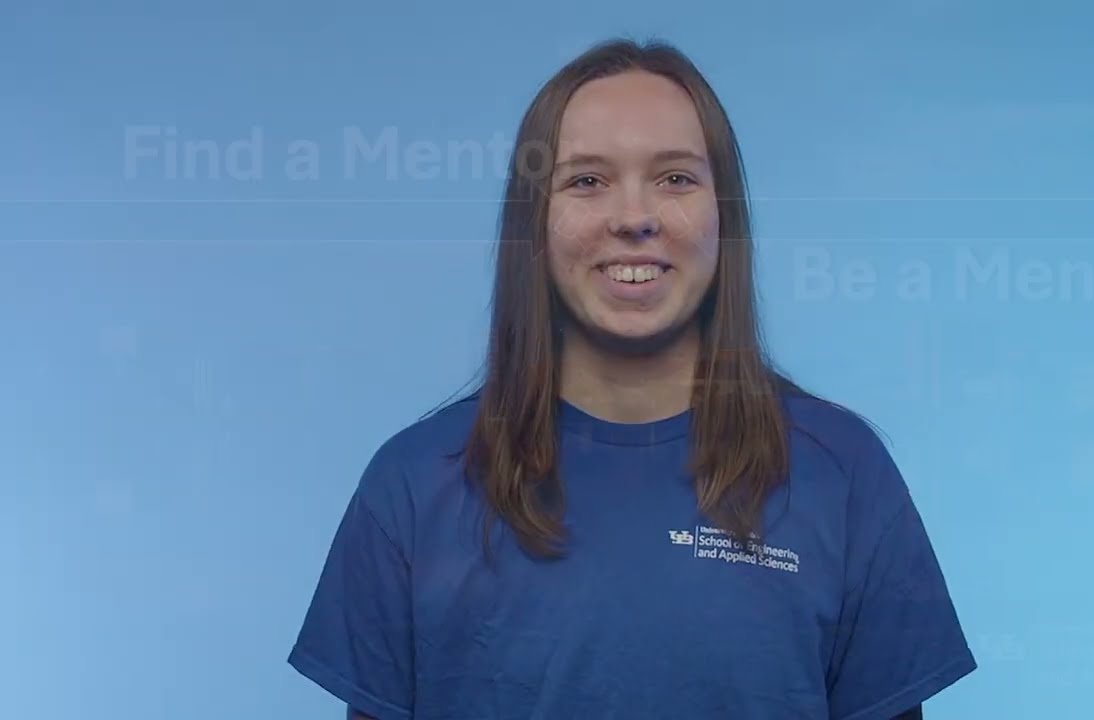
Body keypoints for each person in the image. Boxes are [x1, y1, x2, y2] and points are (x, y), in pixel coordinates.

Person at [287, 37, 977, 719]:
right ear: (536, 220)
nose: (635, 218)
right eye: (586, 180)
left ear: (722, 214)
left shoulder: (843, 473)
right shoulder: (413, 485)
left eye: (676, 178)